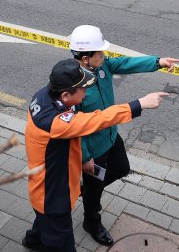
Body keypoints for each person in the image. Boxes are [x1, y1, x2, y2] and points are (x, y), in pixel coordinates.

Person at [23, 58, 169, 252]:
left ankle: (33, 240)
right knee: (60, 240)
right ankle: (39, 240)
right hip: (53, 194)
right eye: (83, 89)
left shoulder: (45, 95)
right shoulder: (56, 122)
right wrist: (139, 104)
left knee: (45, 220)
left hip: (47, 184)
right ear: (66, 95)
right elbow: (97, 120)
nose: (85, 92)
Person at [69, 24, 179, 246]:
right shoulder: (73, 86)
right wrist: (84, 157)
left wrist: (157, 62)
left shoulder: (102, 67)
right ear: (84, 58)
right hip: (92, 148)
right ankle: (91, 221)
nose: (104, 55)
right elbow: (73, 128)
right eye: (100, 52)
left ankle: (85, 191)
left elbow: (126, 63)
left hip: (110, 136)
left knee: (121, 168)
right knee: (94, 189)